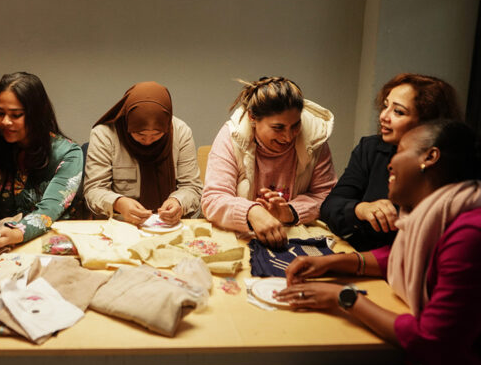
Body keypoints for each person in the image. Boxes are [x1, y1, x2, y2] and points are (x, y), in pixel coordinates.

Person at [279, 120, 481, 365]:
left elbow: (430, 339)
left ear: (430, 157)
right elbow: (400, 256)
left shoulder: (470, 232)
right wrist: (335, 263)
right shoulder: (446, 210)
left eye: (399, 151)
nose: (389, 163)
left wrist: (343, 297)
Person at [320, 73, 462, 251]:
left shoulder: (447, 167)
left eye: (398, 112)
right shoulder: (370, 148)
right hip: (363, 254)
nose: (383, 116)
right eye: (385, 106)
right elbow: (330, 207)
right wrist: (360, 209)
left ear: (427, 123)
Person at [201, 77, 337, 247]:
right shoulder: (231, 137)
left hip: (295, 239)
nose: (288, 137)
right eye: (278, 128)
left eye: (295, 126)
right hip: (242, 239)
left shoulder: (315, 139)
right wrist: (252, 212)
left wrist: (291, 212)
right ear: (252, 118)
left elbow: (328, 196)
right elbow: (213, 199)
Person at [0, 71, 83, 248]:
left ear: (36, 114)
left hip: (46, 244)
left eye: (15, 115)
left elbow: (49, 210)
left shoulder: (68, 153)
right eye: (0, 113)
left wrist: (17, 233)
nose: (5, 122)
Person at [84, 81, 202, 224]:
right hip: (120, 224)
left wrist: (178, 201)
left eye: (157, 134)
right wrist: (118, 203)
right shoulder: (105, 134)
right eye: (139, 134)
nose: (148, 141)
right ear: (128, 122)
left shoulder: (180, 132)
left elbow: (192, 187)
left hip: (168, 225)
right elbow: (94, 189)